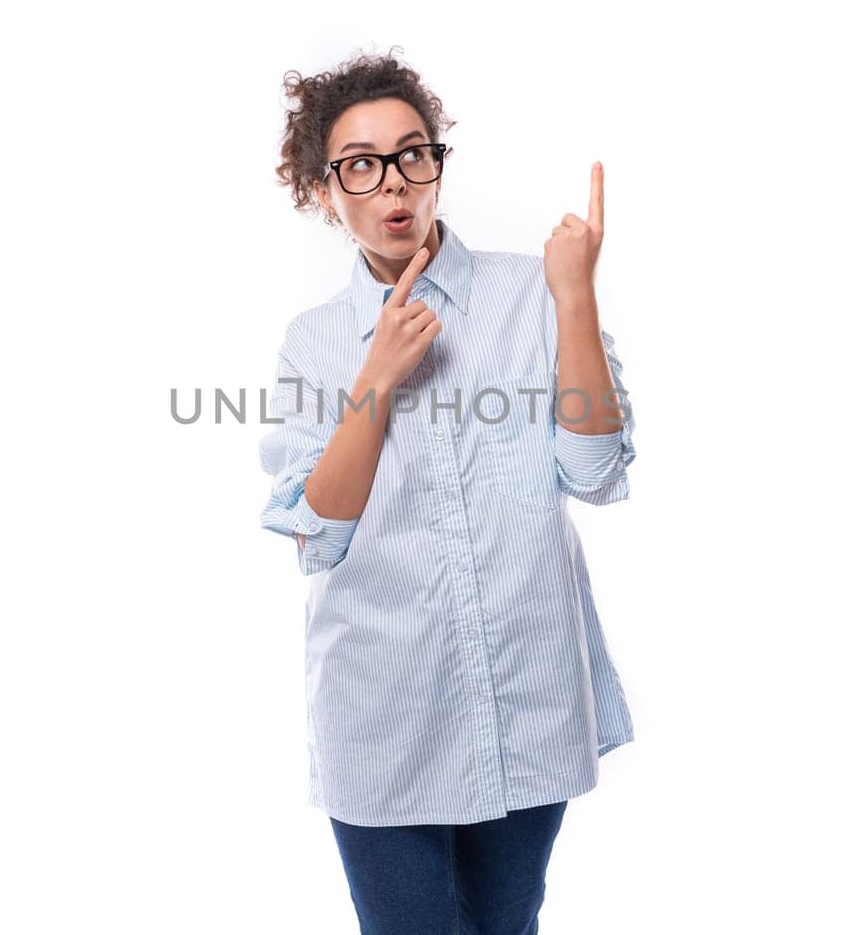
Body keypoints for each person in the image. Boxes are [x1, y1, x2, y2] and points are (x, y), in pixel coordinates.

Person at [258, 47, 637, 934]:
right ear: (325, 191)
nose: (394, 184)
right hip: (382, 715)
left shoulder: (532, 296)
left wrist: (574, 294)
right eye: (360, 165)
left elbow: (595, 470)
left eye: (412, 153)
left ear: (436, 163)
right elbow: (320, 532)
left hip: (527, 695)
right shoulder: (315, 343)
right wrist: (377, 377)